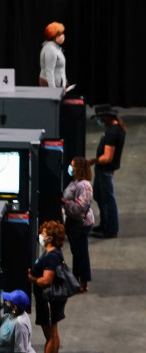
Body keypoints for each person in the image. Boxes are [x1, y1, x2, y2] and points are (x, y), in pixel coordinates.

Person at [27, 220, 68, 353]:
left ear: (50, 237)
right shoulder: (52, 253)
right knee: (54, 332)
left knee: (49, 335)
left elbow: (46, 280)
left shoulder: (52, 257)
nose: (40, 236)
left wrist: (31, 279)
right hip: (53, 300)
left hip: (48, 300)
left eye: (43, 233)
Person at [89, 106, 125, 239]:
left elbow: (107, 157)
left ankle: (111, 229)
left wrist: (92, 161)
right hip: (103, 170)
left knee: (108, 199)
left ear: (105, 117)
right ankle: (104, 224)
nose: (99, 121)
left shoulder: (112, 133)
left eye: (100, 118)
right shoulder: (115, 129)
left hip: (105, 170)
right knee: (99, 196)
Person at [61, 157, 95, 290]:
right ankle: (75, 278)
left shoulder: (84, 186)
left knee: (81, 252)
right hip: (74, 221)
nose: (71, 167)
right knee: (76, 252)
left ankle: (84, 281)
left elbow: (80, 207)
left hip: (82, 223)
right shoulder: (76, 182)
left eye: (73, 166)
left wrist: (65, 202)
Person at [38, 22, 67, 89]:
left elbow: (61, 69)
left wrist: (64, 84)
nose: (63, 36)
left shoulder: (56, 47)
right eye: (60, 34)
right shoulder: (50, 49)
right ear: (53, 36)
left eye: (62, 33)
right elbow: (49, 71)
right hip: (51, 84)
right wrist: (53, 91)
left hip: (57, 83)